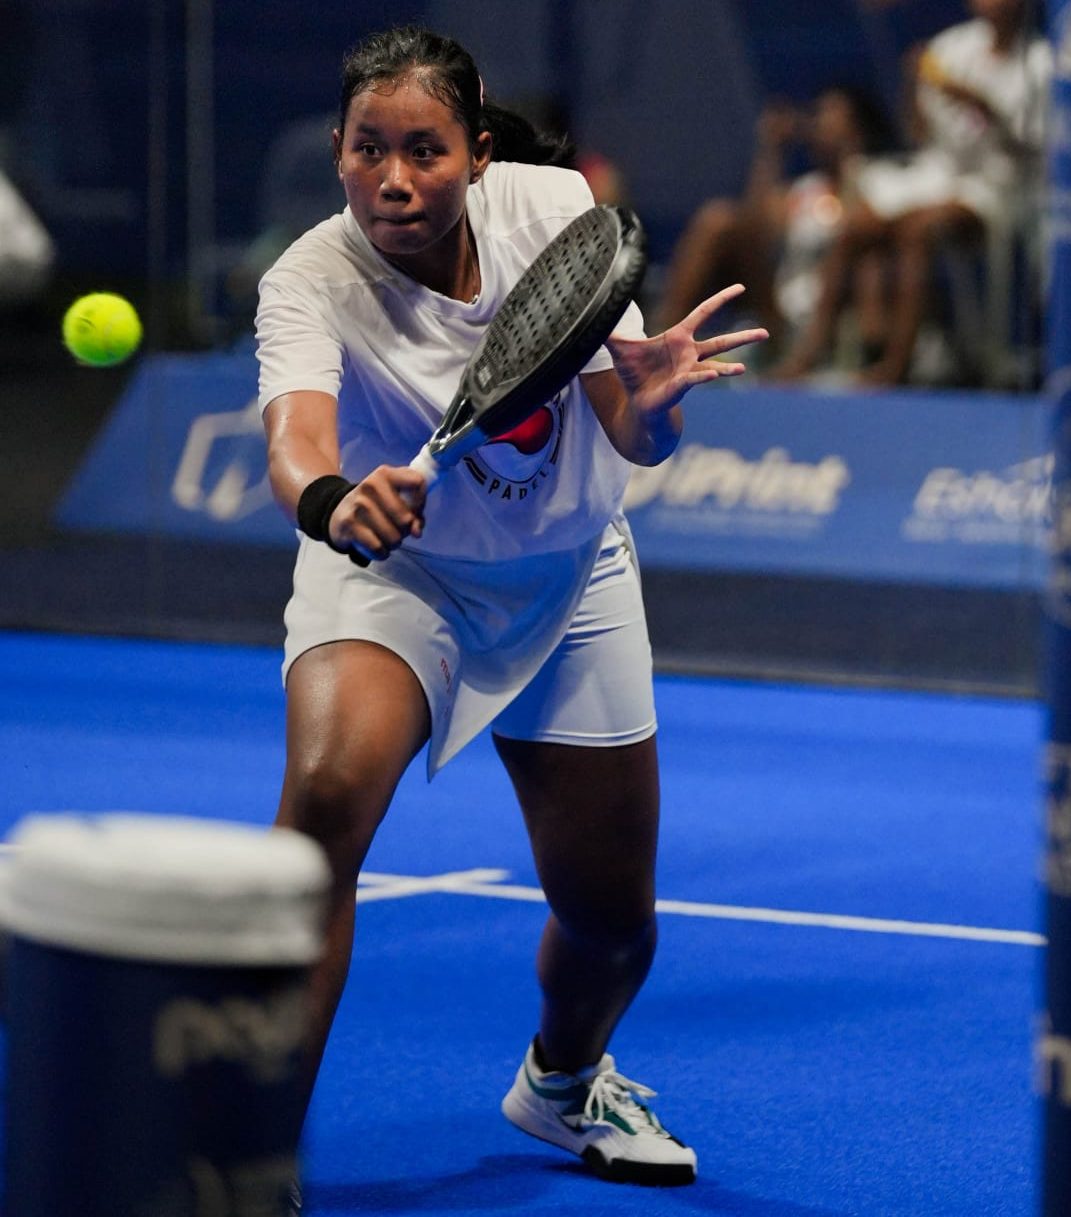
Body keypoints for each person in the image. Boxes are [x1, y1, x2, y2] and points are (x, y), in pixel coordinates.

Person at [254, 24, 766, 1205]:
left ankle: (564, 1080)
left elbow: (631, 429)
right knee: (322, 808)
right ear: (336, 151)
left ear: (478, 153)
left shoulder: (551, 210)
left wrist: (656, 407)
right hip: (394, 572)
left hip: (569, 575)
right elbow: (296, 442)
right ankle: (248, 1146)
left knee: (612, 921)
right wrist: (335, 501)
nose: (393, 178)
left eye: (424, 150)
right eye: (368, 149)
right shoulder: (309, 279)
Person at [773, 0, 1051, 386]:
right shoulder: (949, 48)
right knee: (857, 227)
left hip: (997, 188)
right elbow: (919, 135)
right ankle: (810, 353)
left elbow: (1037, 153)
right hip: (938, 174)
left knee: (917, 230)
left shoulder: (1041, 64)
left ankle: (895, 366)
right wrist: (912, 88)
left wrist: (983, 107)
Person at [653, 86, 896, 363]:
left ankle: (835, 359)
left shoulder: (878, 179)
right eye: (818, 113)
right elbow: (755, 228)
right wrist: (772, 149)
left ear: (857, 128)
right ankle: (662, 346)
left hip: (837, 322)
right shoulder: (806, 189)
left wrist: (849, 160)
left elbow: (870, 227)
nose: (818, 121)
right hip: (783, 317)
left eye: (830, 113)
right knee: (717, 220)